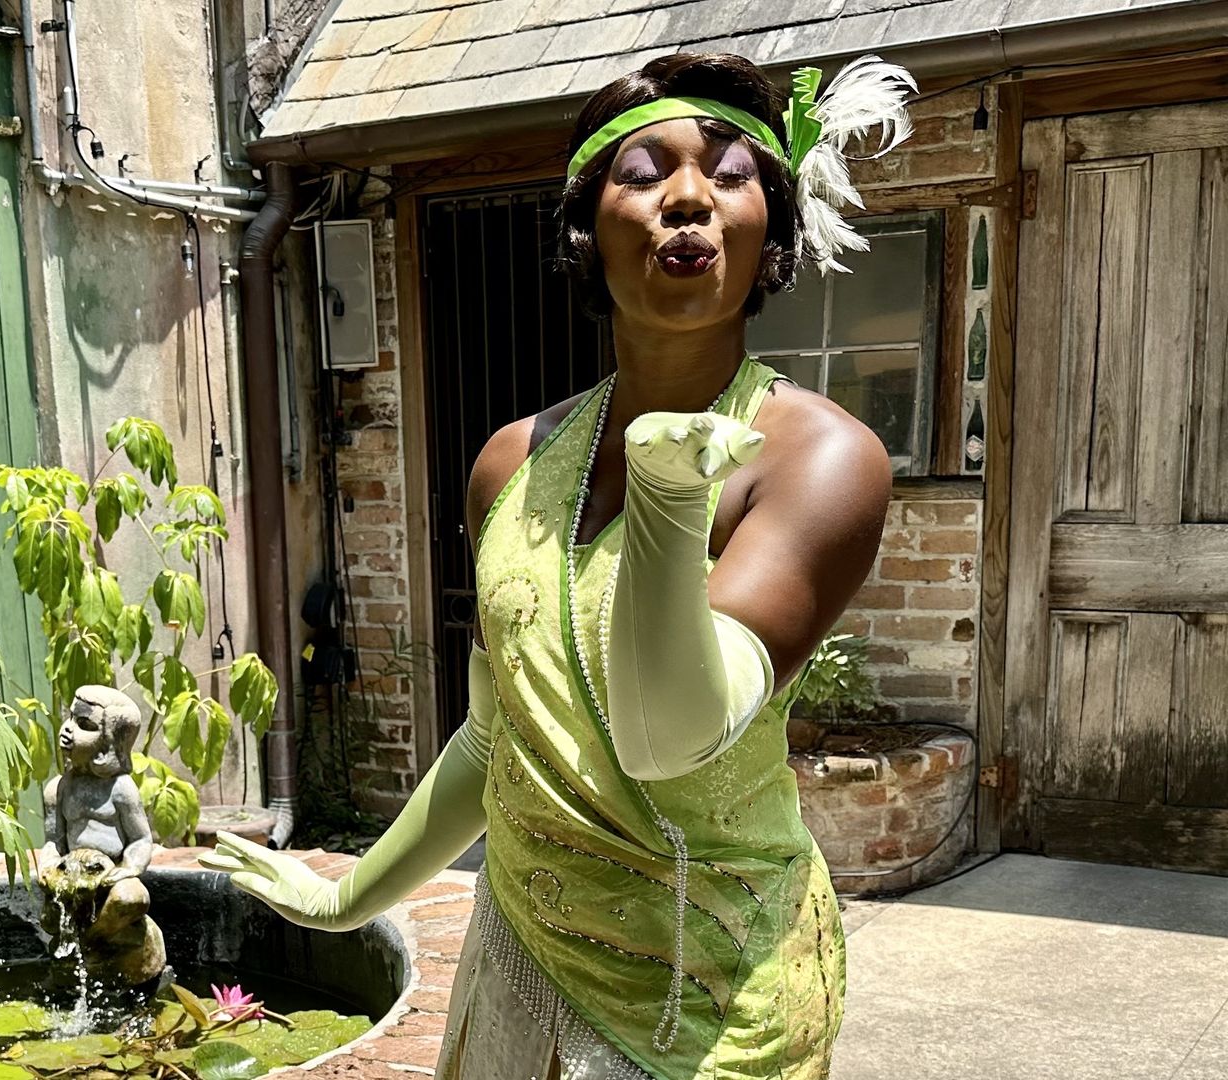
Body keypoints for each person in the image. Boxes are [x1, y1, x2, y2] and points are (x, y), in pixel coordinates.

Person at [200, 51, 917, 1078]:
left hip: (704, 999)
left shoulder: (820, 459)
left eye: (727, 174)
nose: (686, 198)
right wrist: (352, 894)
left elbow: (670, 740)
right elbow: (502, 737)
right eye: (642, 172)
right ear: (589, 230)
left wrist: (669, 501)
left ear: (772, 234)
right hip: (525, 953)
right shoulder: (512, 461)